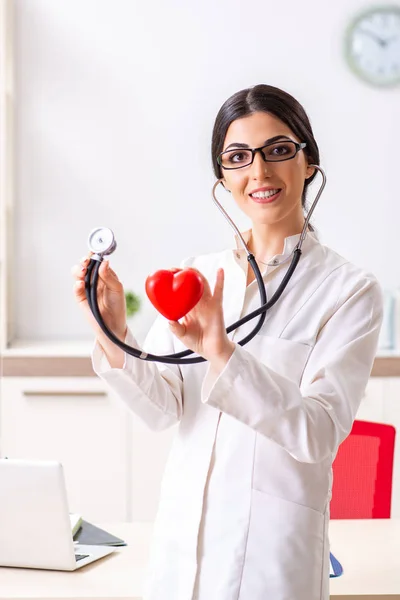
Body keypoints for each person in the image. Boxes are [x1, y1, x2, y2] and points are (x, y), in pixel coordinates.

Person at [72, 84, 383, 600]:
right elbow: (163, 409)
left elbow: (318, 434)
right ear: (223, 177)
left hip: (271, 563)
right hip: (181, 556)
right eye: (238, 157)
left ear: (309, 163)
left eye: (279, 150)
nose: (259, 172)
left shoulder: (348, 291)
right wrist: (114, 332)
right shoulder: (198, 275)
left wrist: (222, 352)